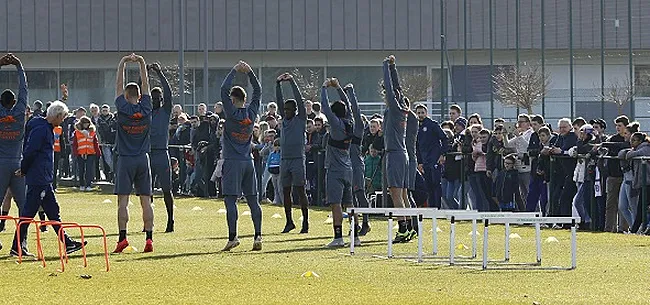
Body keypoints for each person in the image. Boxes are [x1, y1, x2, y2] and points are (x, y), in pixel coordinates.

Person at [11, 100, 85, 256]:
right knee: (29, 212)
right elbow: (31, 151)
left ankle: (68, 243)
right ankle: (17, 246)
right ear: (57, 116)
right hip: (39, 178)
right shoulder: (41, 129)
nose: (63, 120)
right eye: (63, 117)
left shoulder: (42, 126)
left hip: (43, 177)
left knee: (52, 211)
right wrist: (24, 169)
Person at [112, 53, 155, 253]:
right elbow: (146, 83)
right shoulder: (146, 107)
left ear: (126, 96)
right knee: (146, 200)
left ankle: (123, 238)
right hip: (142, 158)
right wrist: (141, 63)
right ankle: (149, 239)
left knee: (123, 201)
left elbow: (118, 85)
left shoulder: (122, 107)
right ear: (139, 96)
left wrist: (122, 63)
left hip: (126, 159)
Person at [219, 61, 263, 251]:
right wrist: (250, 73)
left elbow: (223, 88)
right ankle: (258, 236)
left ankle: (232, 237)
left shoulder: (231, 112)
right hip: (248, 161)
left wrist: (235, 70)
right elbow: (258, 91)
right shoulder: (252, 113)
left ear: (234, 99)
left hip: (232, 161)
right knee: (253, 200)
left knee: (230, 199)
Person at [320, 77, 359, 247]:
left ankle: (338, 237)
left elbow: (325, 107)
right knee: (350, 204)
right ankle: (355, 236)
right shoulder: (349, 121)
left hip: (335, 170)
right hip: (348, 168)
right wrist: (338, 88)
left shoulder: (335, 125)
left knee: (336, 204)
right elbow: (348, 105)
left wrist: (324, 88)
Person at [276, 72, 310, 234]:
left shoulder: (300, 118)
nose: (286, 111)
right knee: (286, 191)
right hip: (285, 159)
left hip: (297, 159)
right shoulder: (284, 120)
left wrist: (291, 82)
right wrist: (277, 84)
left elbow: (299, 100)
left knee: (300, 190)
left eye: (289, 109)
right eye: (285, 109)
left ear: (295, 110)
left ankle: (305, 222)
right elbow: (279, 100)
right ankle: (289, 221)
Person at [382, 55, 411, 243]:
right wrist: (393, 67)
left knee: (395, 194)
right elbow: (397, 88)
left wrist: (385, 66)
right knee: (403, 195)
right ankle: (409, 228)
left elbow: (393, 89)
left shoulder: (394, 108)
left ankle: (402, 230)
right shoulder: (401, 108)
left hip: (395, 155)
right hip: (402, 155)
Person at [0, 53, 27, 241]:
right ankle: (20, 243)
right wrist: (19, 66)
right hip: (18, 164)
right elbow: (24, 89)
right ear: (14, 102)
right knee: (24, 206)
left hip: (1, 164)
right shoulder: (19, 111)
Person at [147, 62, 176, 232]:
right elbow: (139, 91)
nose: (156, 100)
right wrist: (144, 73)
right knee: (146, 191)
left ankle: (170, 220)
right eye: (153, 98)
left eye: (158, 98)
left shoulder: (165, 111)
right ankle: (148, 221)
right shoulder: (147, 111)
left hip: (162, 154)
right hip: (148, 154)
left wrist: (159, 72)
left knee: (167, 189)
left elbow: (168, 92)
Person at [343, 83, 372, 236]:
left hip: (355, 163)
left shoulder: (359, 127)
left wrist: (351, 93)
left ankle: (366, 223)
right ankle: (354, 224)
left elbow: (354, 109)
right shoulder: (347, 126)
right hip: (347, 164)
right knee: (349, 197)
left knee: (360, 194)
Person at [415, 103, 448, 209]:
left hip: (434, 159)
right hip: (425, 161)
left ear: (426, 113)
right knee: (428, 185)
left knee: (436, 184)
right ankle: (431, 207)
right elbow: (417, 146)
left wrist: (442, 154)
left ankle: (437, 207)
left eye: (422, 113)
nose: (420, 115)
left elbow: (444, 138)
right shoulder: (416, 127)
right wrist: (419, 162)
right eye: (418, 113)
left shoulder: (433, 125)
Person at [71, 116, 101, 191]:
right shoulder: (77, 132)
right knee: (81, 170)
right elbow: (75, 144)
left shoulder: (92, 132)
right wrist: (75, 153)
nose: (86, 125)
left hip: (91, 153)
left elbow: (95, 143)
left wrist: (98, 152)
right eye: (84, 123)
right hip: (80, 153)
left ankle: (88, 185)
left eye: (87, 123)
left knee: (89, 170)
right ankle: (81, 184)